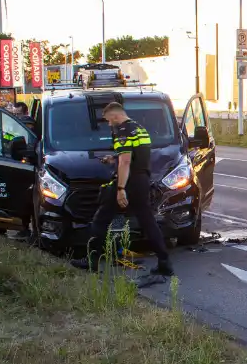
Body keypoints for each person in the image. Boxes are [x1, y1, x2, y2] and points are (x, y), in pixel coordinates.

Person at [71, 102, 174, 278]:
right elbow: (135, 155)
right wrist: (114, 158)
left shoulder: (123, 131)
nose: (109, 124)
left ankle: (91, 260)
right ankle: (164, 262)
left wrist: (120, 188)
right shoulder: (140, 129)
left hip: (129, 181)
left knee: (101, 218)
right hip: (142, 180)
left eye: (109, 120)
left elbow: (125, 162)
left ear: (115, 115)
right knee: (148, 221)